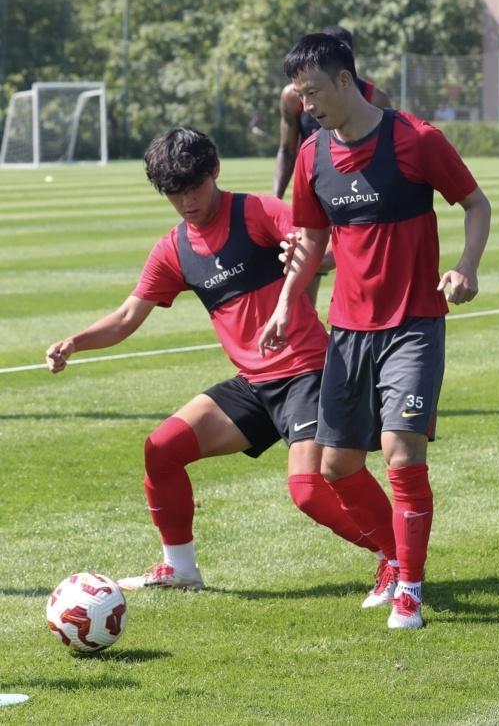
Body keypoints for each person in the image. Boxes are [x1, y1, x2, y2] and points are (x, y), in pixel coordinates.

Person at [45, 126, 399, 600]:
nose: (187, 201)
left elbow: (327, 247)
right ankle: (180, 568)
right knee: (162, 449)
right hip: (253, 384)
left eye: (194, 187)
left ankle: (396, 558)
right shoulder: (174, 249)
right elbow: (128, 317)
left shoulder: (255, 212)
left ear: (214, 171)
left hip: (307, 372)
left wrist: (312, 257)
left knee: (309, 491)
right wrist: (75, 342)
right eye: (174, 193)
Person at [259, 34, 491, 629]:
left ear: (345, 81)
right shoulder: (312, 155)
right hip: (347, 331)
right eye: (299, 95)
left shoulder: (416, 139)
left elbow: (476, 204)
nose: (306, 105)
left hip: (413, 324)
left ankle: (410, 587)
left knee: (400, 451)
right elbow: (313, 240)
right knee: (336, 467)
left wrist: (465, 267)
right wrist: (285, 303)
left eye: (313, 92)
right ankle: (391, 557)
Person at [273, 25, 390, 308]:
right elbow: (287, 149)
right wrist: (276, 199)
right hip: (315, 185)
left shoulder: (374, 97)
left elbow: (386, 150)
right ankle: (308, 324)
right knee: (306, 263)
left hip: (357, 188)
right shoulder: (293, 97)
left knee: (352, 258)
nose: (309, 104)